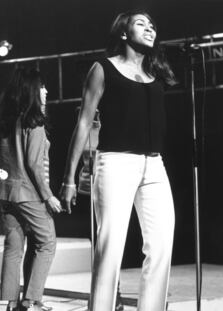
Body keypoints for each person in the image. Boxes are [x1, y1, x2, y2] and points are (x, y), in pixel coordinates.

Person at [60, 10, 176, 311]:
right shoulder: (103, 69)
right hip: (115, 163)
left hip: (154, 164)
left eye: (153, 24)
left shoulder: (156, 73)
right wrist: (68, 179)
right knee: (110, 246)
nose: (150, 28)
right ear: (124, 33)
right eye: (141, 23)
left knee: (162, 244)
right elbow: (84, 123)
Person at [0, 67, 62, 311]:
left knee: (14, 246)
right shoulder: (35, 124)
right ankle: (29, 301)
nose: (46, 90)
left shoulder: (6, 122)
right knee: (47, 243)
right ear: (32, 90)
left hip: (6, 193)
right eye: (42, 86)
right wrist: (48, 196)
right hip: (29, 194)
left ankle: (13, 302)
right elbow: (34, 164)